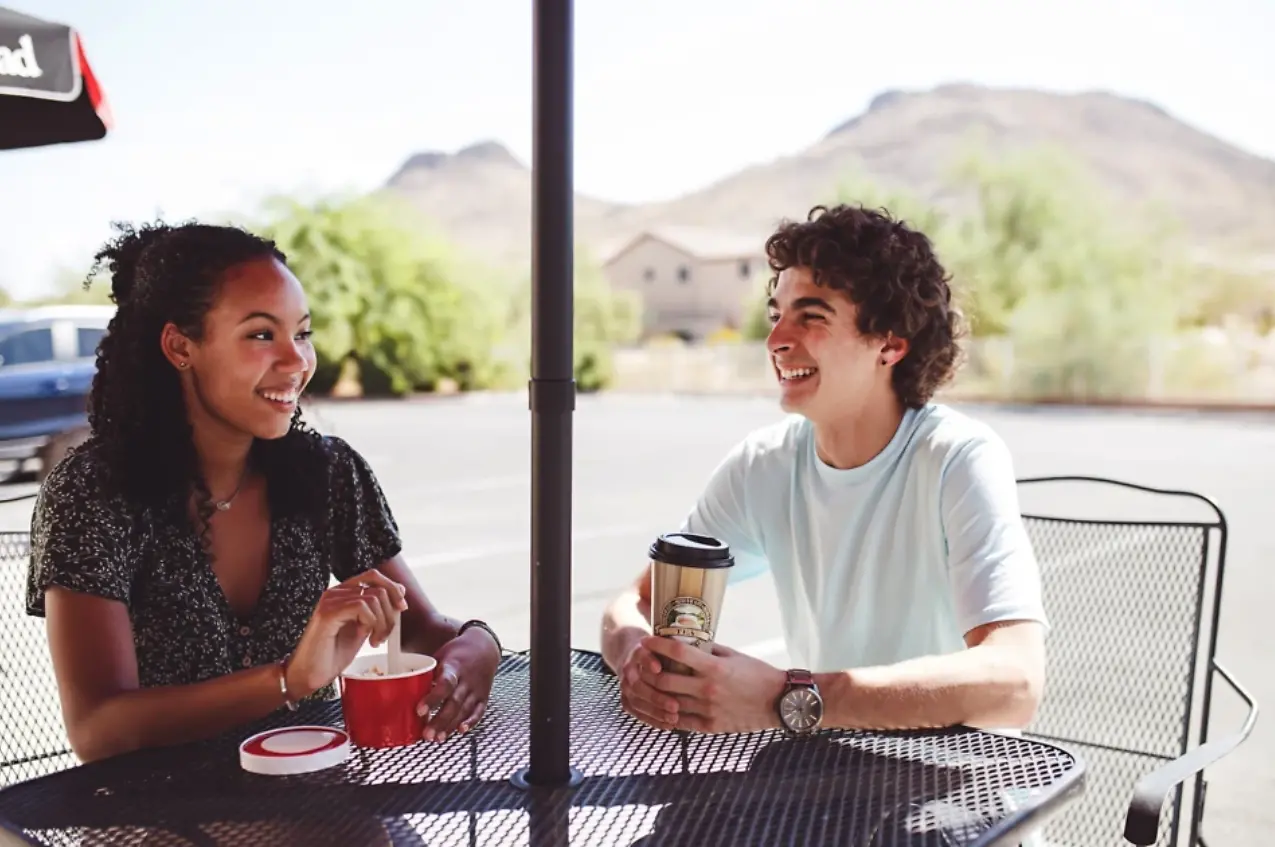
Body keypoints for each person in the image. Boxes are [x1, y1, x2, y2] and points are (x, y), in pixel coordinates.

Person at [25, 220, 502, 763]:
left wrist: (476, 645)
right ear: (181, 347)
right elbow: (97, 730)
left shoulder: (326, 473)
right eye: (260, 334)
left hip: (314, 794)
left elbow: (421, 628)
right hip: (155, 814)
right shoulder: (93, 493)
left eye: (301, 333)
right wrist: (287, 680)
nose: (297, 361)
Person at [600, 204, 1048, 737]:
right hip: (829, 778)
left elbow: (1016, 682)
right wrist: (634, 653)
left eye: (811, 316)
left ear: (890, 343)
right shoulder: (762, 465)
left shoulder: (957, 457)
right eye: (776, 316)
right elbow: (639, 602)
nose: (775, 341)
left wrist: (786, 696)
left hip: (956, 795)